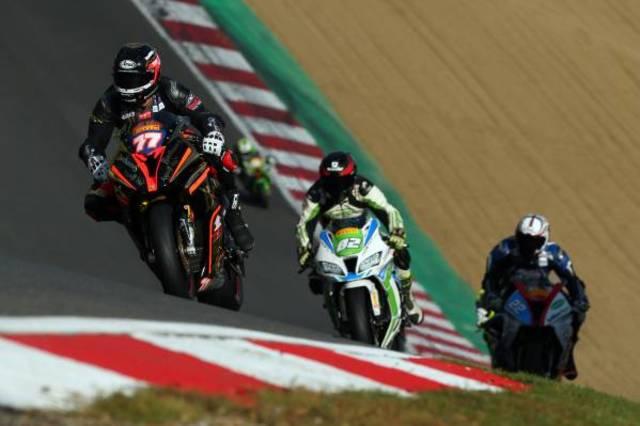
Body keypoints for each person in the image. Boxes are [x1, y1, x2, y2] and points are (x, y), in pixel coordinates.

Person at [78, 43, 254, 256]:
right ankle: (145, 236)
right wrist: (95, 160)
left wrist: (212, 133)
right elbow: (92, 142)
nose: (127, 85)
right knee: (94, 202)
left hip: (176, 142)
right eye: (123, 78)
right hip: (134, 155)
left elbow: (203, 114)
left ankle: (234, 215)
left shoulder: (169, 88)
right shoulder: (109, 102)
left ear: (152, 74)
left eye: (134, 79)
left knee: (221, 155)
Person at [296, 151, 423, 325]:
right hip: (333, 237)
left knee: (401, 254)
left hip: (365, 231)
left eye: (342, 182)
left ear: (352, 176)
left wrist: (397, 233)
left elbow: (387, 210)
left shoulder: (363, 187)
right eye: (331, 183)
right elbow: (304, 224)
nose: (337, 188)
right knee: (314, 274)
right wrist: (304, 248)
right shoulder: (316, 194)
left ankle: (408, 299)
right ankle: (334, 304)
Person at [476, 213, 590, 379]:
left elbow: (572, 279)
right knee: (491, 323)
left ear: (545, 238)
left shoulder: (555, 253)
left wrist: (579, 300)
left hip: (543, 295)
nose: (529, 245)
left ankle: (567, 357)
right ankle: (500, 358)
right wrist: (492, 299)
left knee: (576, 316)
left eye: (534, 241)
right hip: (511, 295)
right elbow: (490, 278)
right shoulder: (504, 250)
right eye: (525, 239)